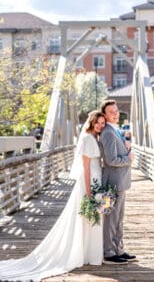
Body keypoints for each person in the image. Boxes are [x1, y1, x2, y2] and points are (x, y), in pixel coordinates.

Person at [0, 110, 106, 281]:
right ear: (92, 122)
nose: (100, 126)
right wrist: (89, 192)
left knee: (91, 218)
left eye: (103, 123)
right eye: (98, 123)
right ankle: (85, 254)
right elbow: (86, 167)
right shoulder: (87, 138)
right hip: (89, 182)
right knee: (86, 217)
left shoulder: (95, 137)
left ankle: (89, 254)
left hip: (96, 180)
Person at [99, 100, 136, 264]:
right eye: (111, 112)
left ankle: (119, 249)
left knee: (119, 218)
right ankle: (109, 252)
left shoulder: (116, 130)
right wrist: (128, 159)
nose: (115, 114)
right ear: (105, 116)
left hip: (120, 181)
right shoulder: (107, 132)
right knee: (111, 219)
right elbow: (111, 160)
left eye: (116, 110)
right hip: (112, 183)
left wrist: (126, 147)